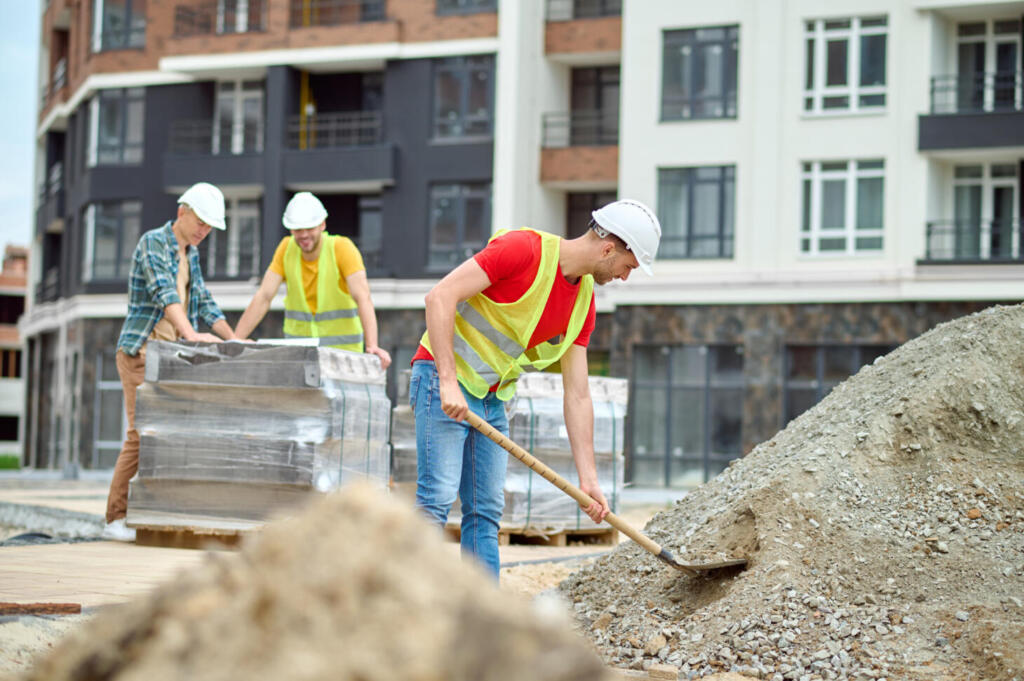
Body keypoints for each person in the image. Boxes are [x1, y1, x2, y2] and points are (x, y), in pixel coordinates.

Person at [411, 199, 662, 578]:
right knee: (436, 502)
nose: (625, 277)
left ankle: (485, 617)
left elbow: (577, 394)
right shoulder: (522, 250)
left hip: (492, 398)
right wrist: (447, 381)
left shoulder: (583, 304)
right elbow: (439, 297)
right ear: (608, 248)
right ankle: (403, 610)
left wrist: (588, 479)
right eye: (628, 267)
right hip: (441, 380)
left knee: (485, 511)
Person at [102, 182, 240, 541]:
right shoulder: (153, 243)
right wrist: (193, 336)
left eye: (210, 227)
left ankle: (154, 513)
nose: (204, 231)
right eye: (200, 222)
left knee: (167, 434)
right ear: (182, 211)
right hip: (141, 350)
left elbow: (206, 302)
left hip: (169, 354)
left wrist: (236, 339)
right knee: (140, 432)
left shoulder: (190, 254)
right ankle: (116, 517)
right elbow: (164, 292)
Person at [234, 192, 391, 369]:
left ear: (322, 225)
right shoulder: (286, 248)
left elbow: (363, 297)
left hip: (342, 356)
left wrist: (372, 346)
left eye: (310, 228)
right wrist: (235, 340)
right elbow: (264, 296)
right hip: (301, 356)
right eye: (298, 230)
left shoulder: (342, 248)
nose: (304, 235)